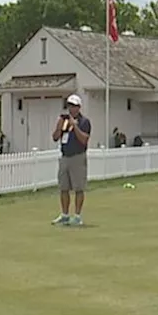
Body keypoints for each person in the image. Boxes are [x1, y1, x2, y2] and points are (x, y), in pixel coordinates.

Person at [51, 94, 90, 225]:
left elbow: (84, 139)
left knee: (79, 188)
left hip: (77, 157)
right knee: (64, 187)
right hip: (65, 156)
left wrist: (75, 126)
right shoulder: (64, 121)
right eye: (69, 105)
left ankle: (77, 216)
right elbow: (55, 137)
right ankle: (65, 214)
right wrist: (59, 126)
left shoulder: (84, 121)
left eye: (74, 106)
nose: (71, 108)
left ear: (79, 107)